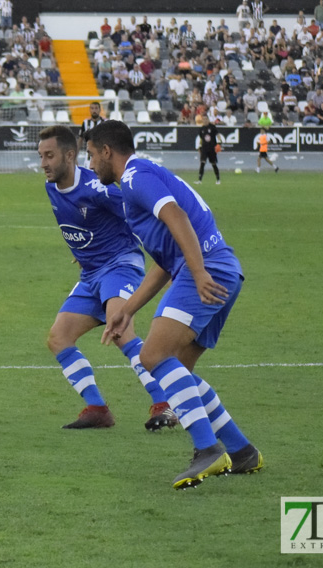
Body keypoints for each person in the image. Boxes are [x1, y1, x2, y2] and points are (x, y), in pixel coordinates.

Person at [85, 121, 263, 489]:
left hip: (207, 269)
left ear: (106, 151)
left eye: (90, 155)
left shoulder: (135, 178)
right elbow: (166, 261)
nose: (90, 165)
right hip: (221, 269)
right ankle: (242, 451)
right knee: (179, 370)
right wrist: (128, 309)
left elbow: (178, 218)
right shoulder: (141, 177)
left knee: (152, 357)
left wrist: (198, 273)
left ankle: (207, 450)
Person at [37, 126, 178, 431]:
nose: (44, 162)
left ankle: (164, 403)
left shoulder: (98, 189)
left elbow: (140, 215)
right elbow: (78, 225)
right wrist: (82, 250)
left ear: (70, 155)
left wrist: (169, 260)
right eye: (41, 156)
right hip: (90, 275)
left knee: (120, 330)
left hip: (120, 266)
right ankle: (98, 409)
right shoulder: (51, 187)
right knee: (58, 338)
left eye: (49, 155)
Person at [196, 114, 221, 184]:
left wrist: (219, 143)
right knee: (202, 163)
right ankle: (199, 180)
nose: (205, 120)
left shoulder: (212, 127)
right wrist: (199, 146)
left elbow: (218, 135)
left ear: (208, 120)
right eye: (203, 119)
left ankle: (218, 179)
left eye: (206, 119)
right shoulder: (202, 129)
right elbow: (201, 139)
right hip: (204, 148)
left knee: (213, 163)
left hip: (212, 148)